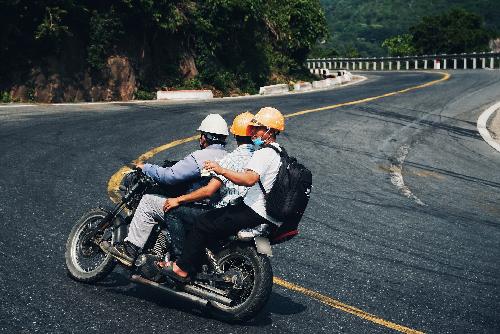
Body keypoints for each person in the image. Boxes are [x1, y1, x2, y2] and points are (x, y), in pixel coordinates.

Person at [161, 107, 285, 282]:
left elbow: (245, 180)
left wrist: (221, 170)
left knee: (200, 221)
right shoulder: (280, 154)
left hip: (251, 210)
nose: (254, 132)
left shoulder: (259, 154)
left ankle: (181, 267)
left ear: (269, 131)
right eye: (253, 129)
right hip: (269, 214)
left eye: (257, 128)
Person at [103, 114, 229, 266]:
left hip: (196, 207)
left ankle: (130, 250)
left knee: (148, 202)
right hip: (215, 210)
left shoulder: (201, 157)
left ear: (206, 137)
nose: (200, 139)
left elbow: (170, 176)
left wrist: (146, 167)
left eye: (201, 135)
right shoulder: (228, 156)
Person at [163, 112, 256, 259]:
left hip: (226, 212)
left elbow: (208, 191)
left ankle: (180, 261)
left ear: (235, 135)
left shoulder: (230, 159)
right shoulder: (260, 156)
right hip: (249, 211)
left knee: (174, 212)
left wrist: (178, 200)